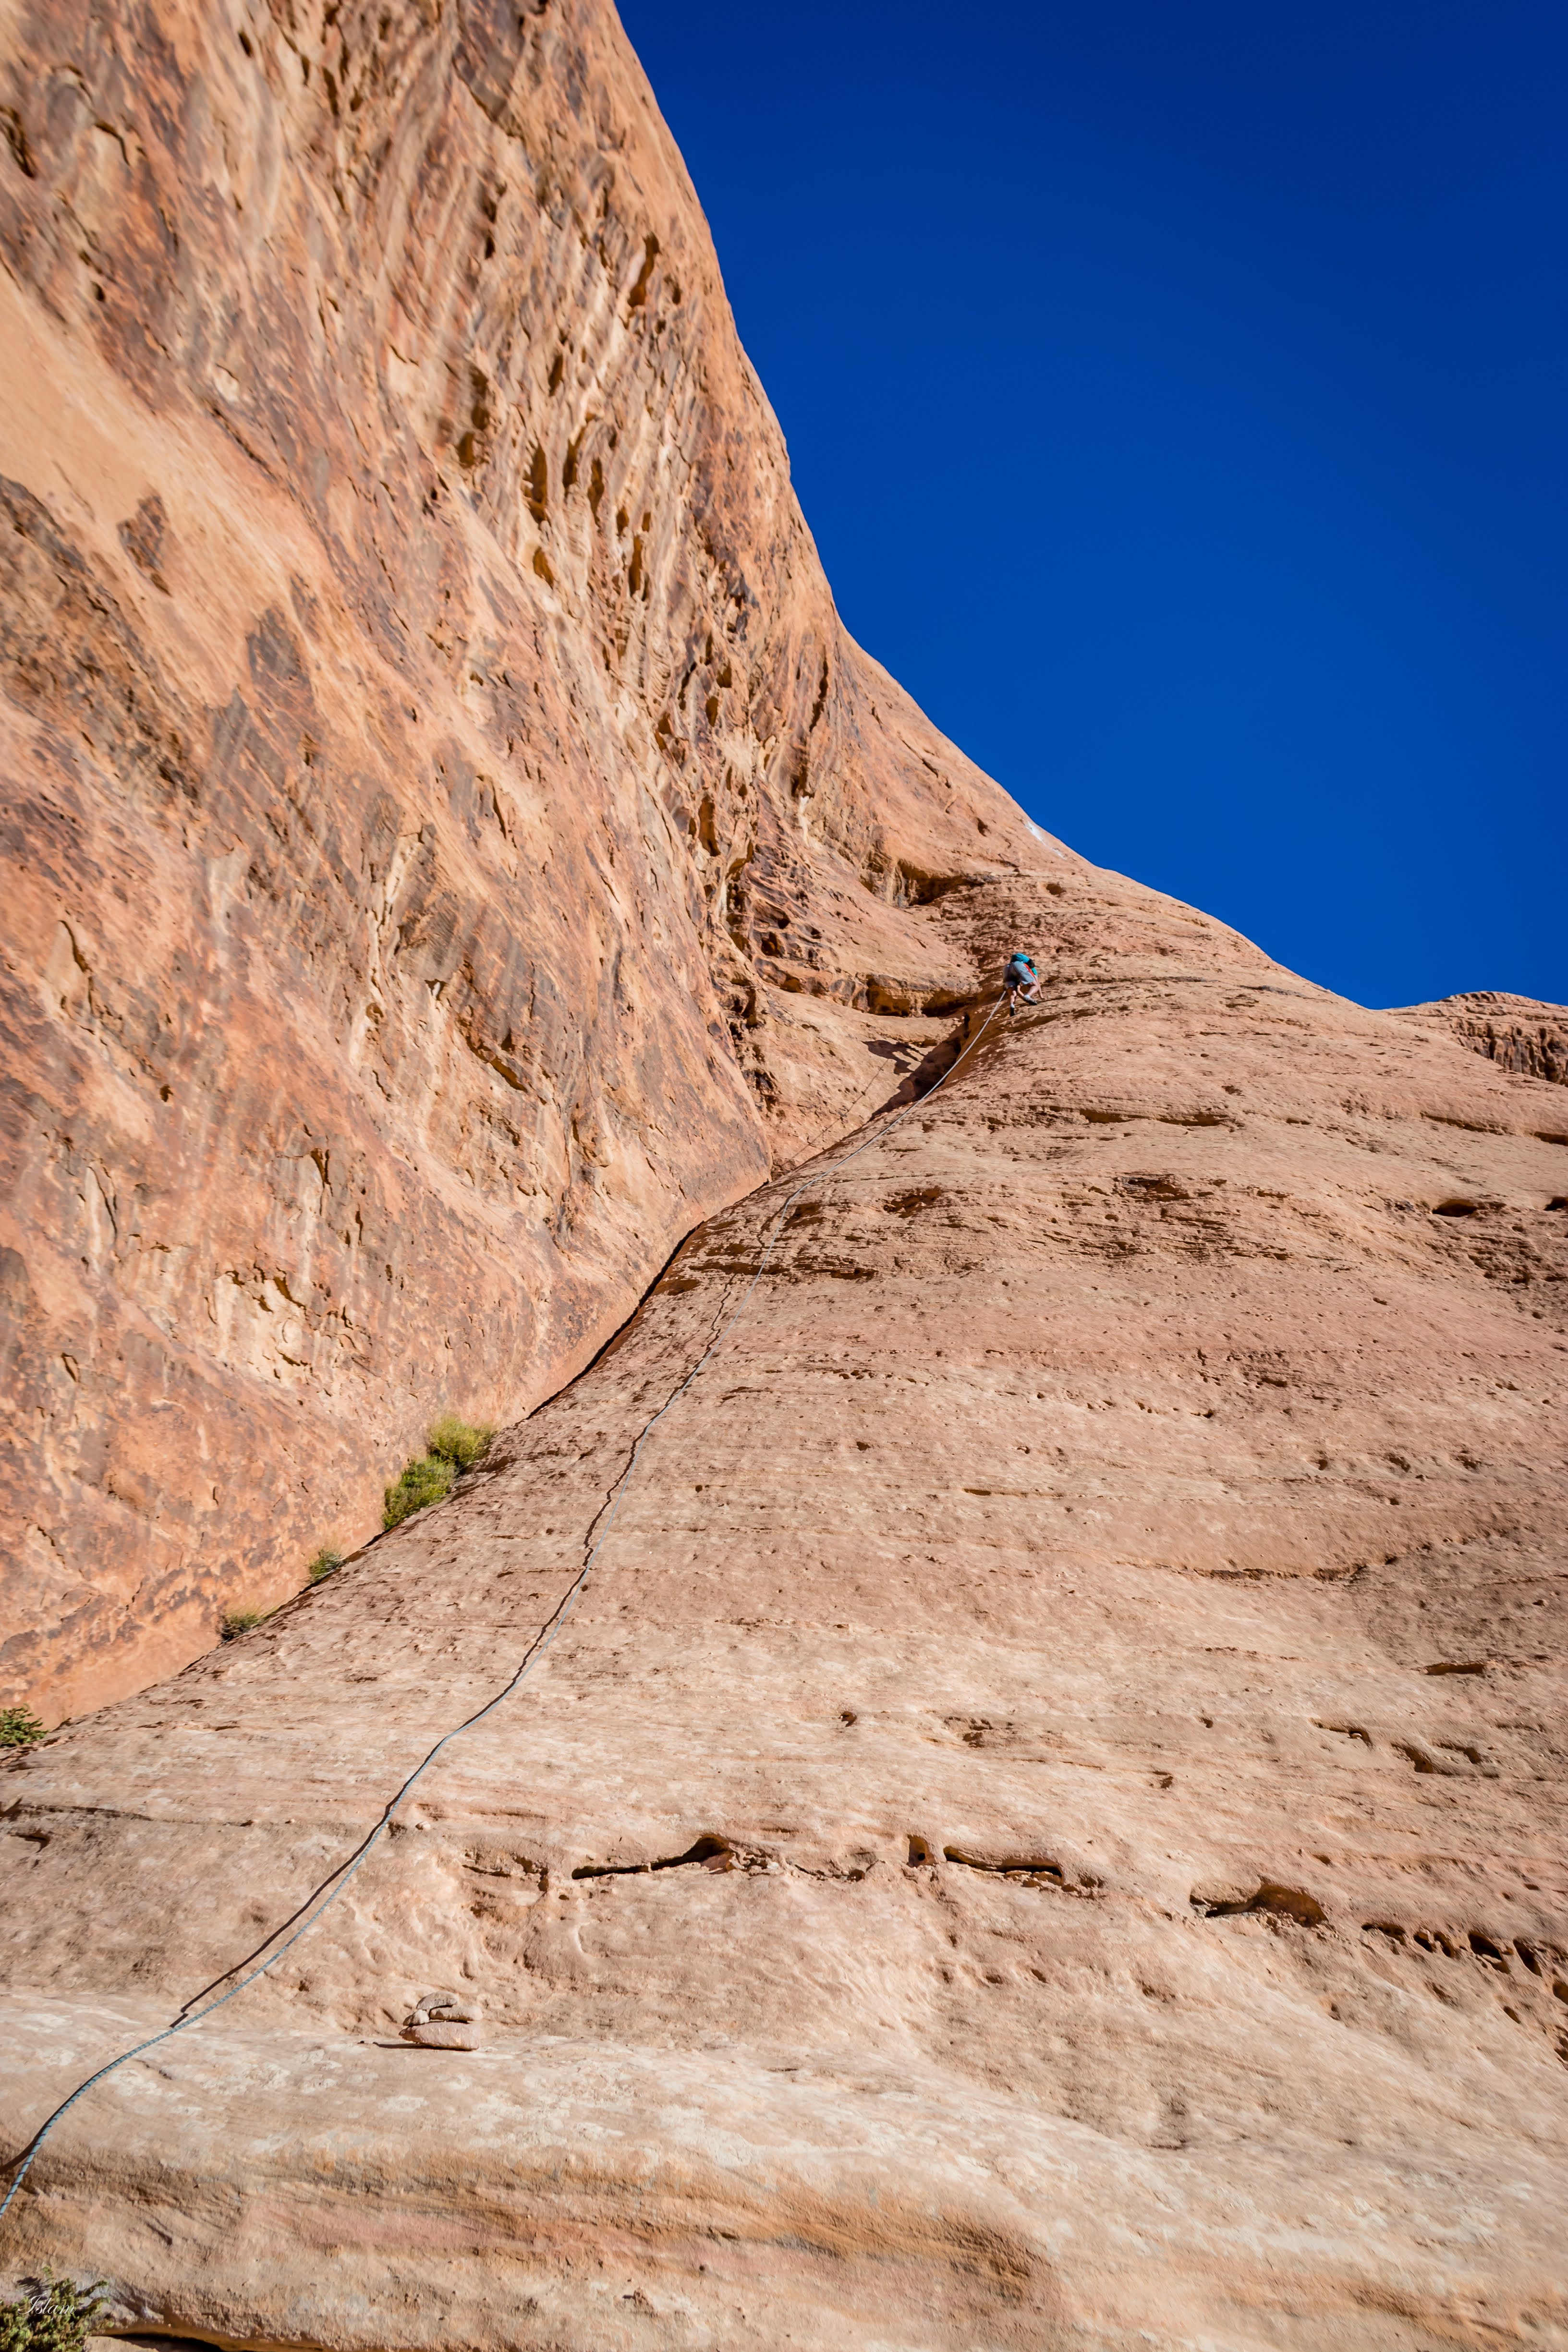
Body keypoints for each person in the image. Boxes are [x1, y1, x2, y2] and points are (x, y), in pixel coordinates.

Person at [1004, 950, 1043, 1015]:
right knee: (1034, 986)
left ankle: (1012, 1006)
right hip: (1019, 966)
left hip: (1006, 969)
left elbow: (1018, 991)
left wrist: (1024, 998)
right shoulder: (1029, 967)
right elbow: (1037, 982)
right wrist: (1041, 996)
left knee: (1013, 993)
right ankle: (1028, 996)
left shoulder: (1010, 965)